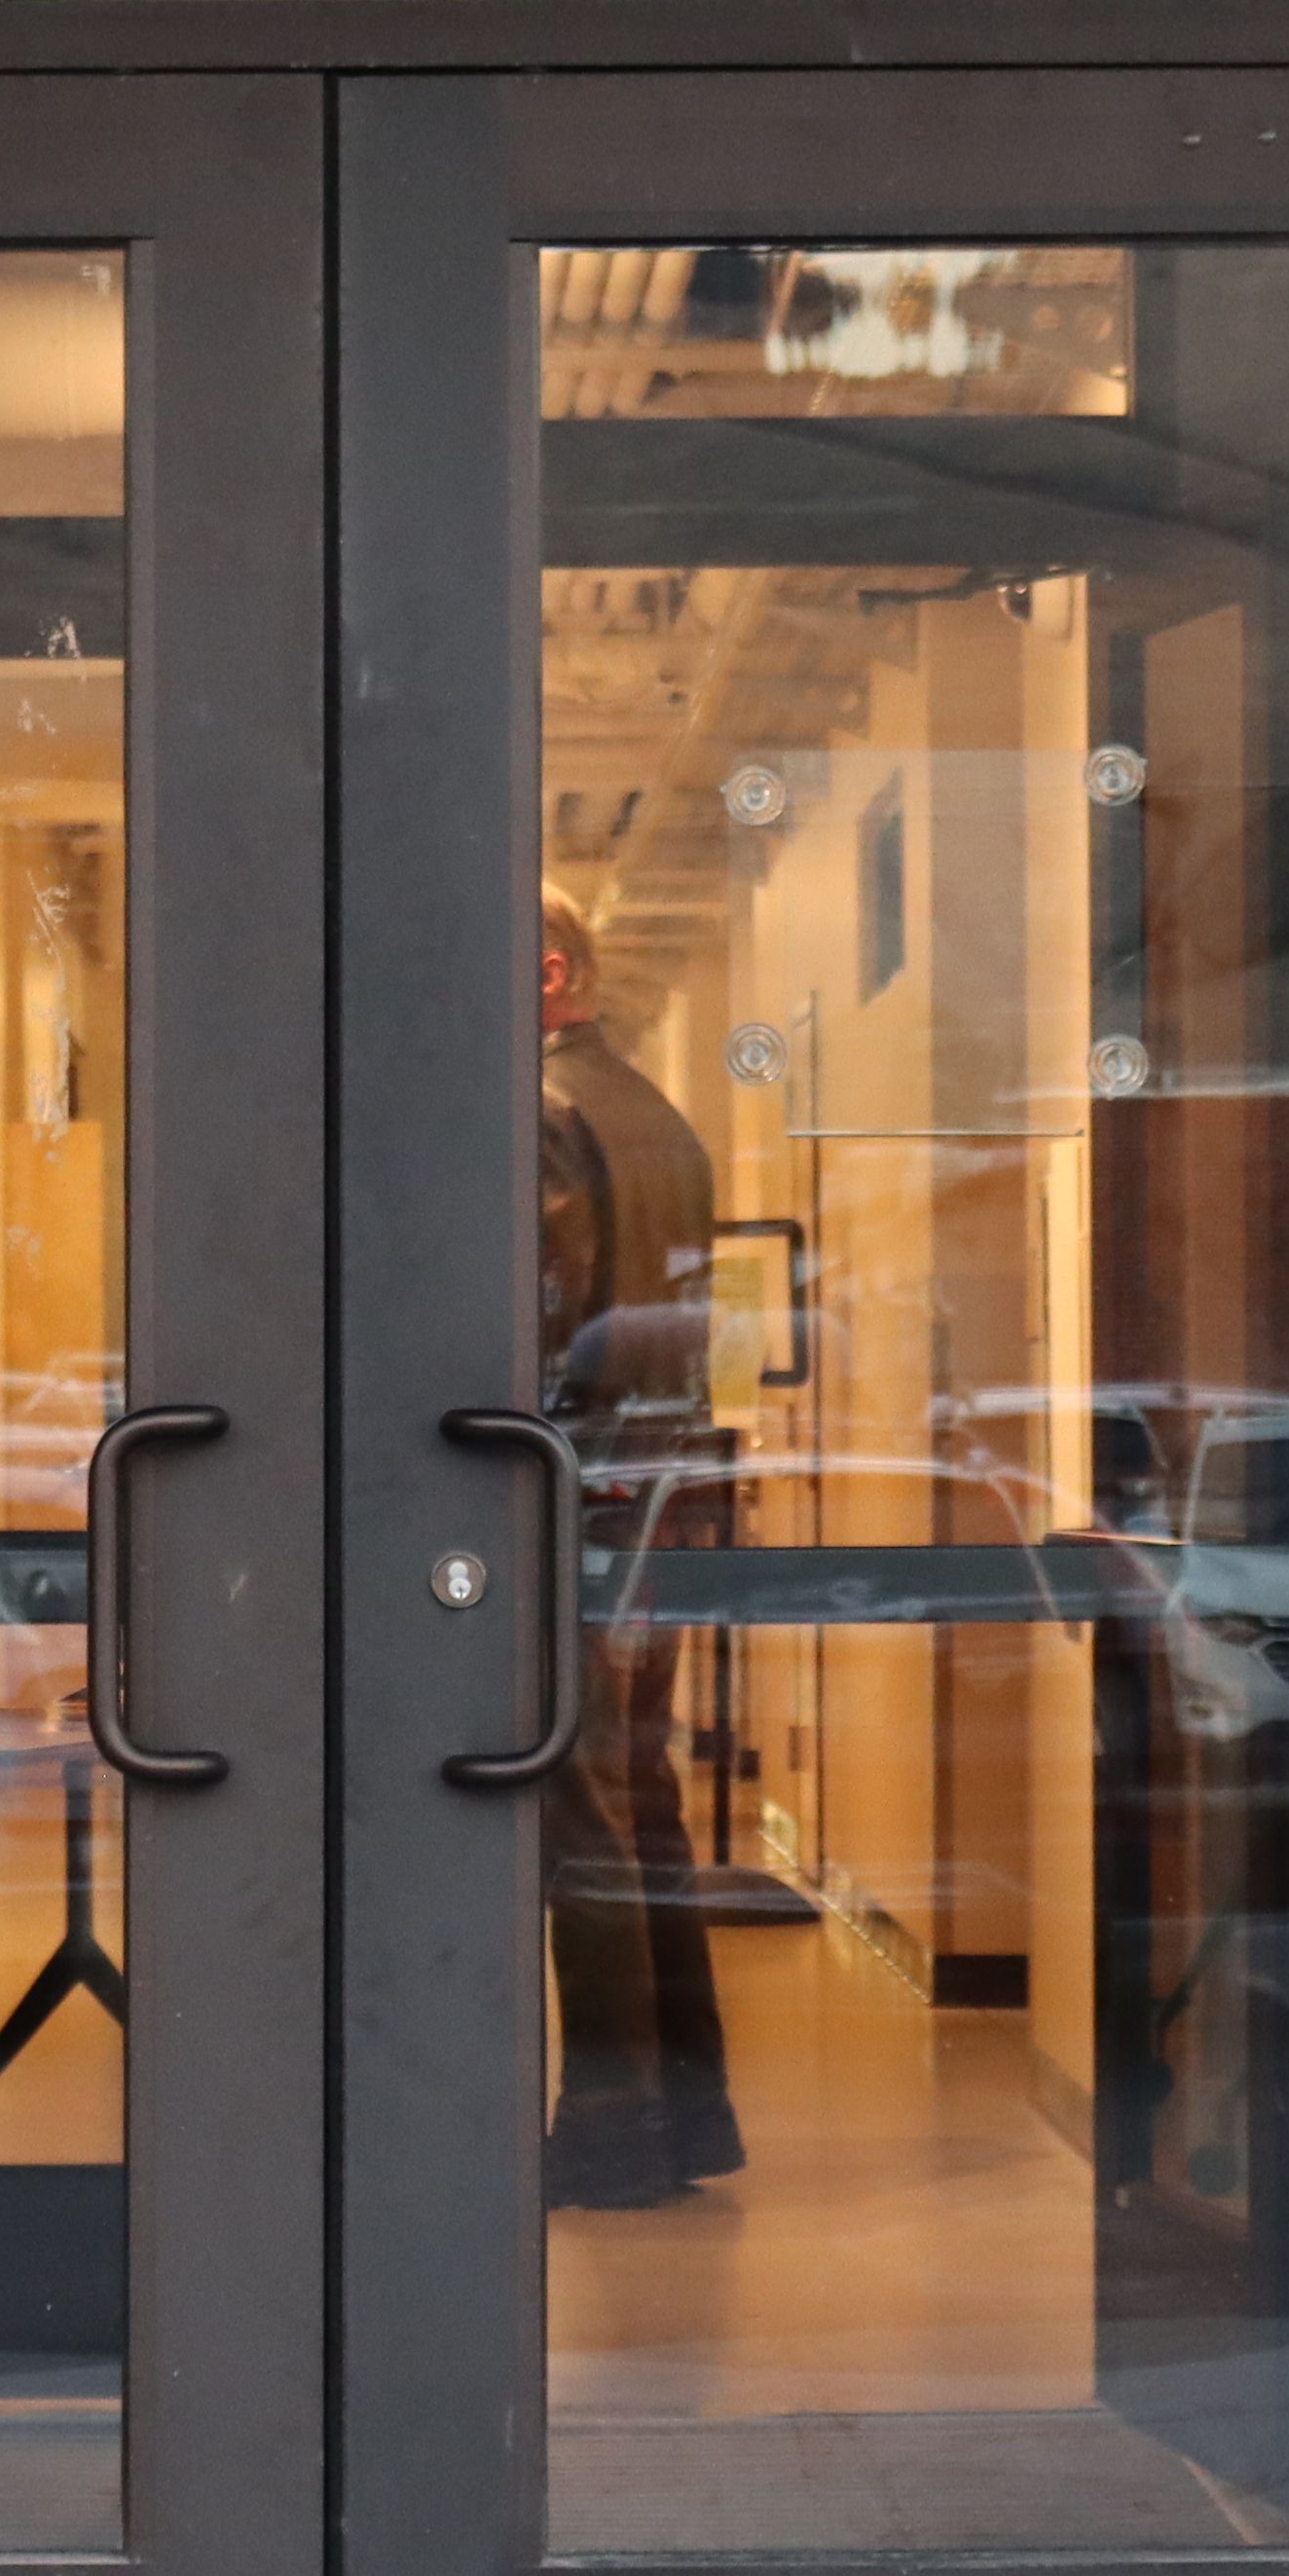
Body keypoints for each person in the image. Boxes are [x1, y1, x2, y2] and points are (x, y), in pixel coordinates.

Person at [534, 898, 745, 2208]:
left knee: (581, 1808)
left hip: (579, 1494)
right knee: (644, 1799)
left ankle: (612, 2125)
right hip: (659, 1488)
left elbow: (543, 1308)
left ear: (549, 971)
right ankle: (686, 2111)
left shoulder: (547, 1109)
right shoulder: (659, 1115)